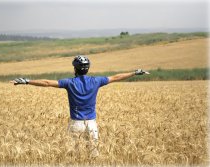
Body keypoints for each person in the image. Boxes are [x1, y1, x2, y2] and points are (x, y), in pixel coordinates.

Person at [11, 55, 149, 157]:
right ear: (88, 69)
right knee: (94, 154)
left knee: (74, 155)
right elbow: (116, 77)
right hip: (92, 124)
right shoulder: (96, 81)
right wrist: (134, 72)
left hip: (76, 123)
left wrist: (27, 81)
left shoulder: (69, 83)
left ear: (75, 68)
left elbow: (47, 82)